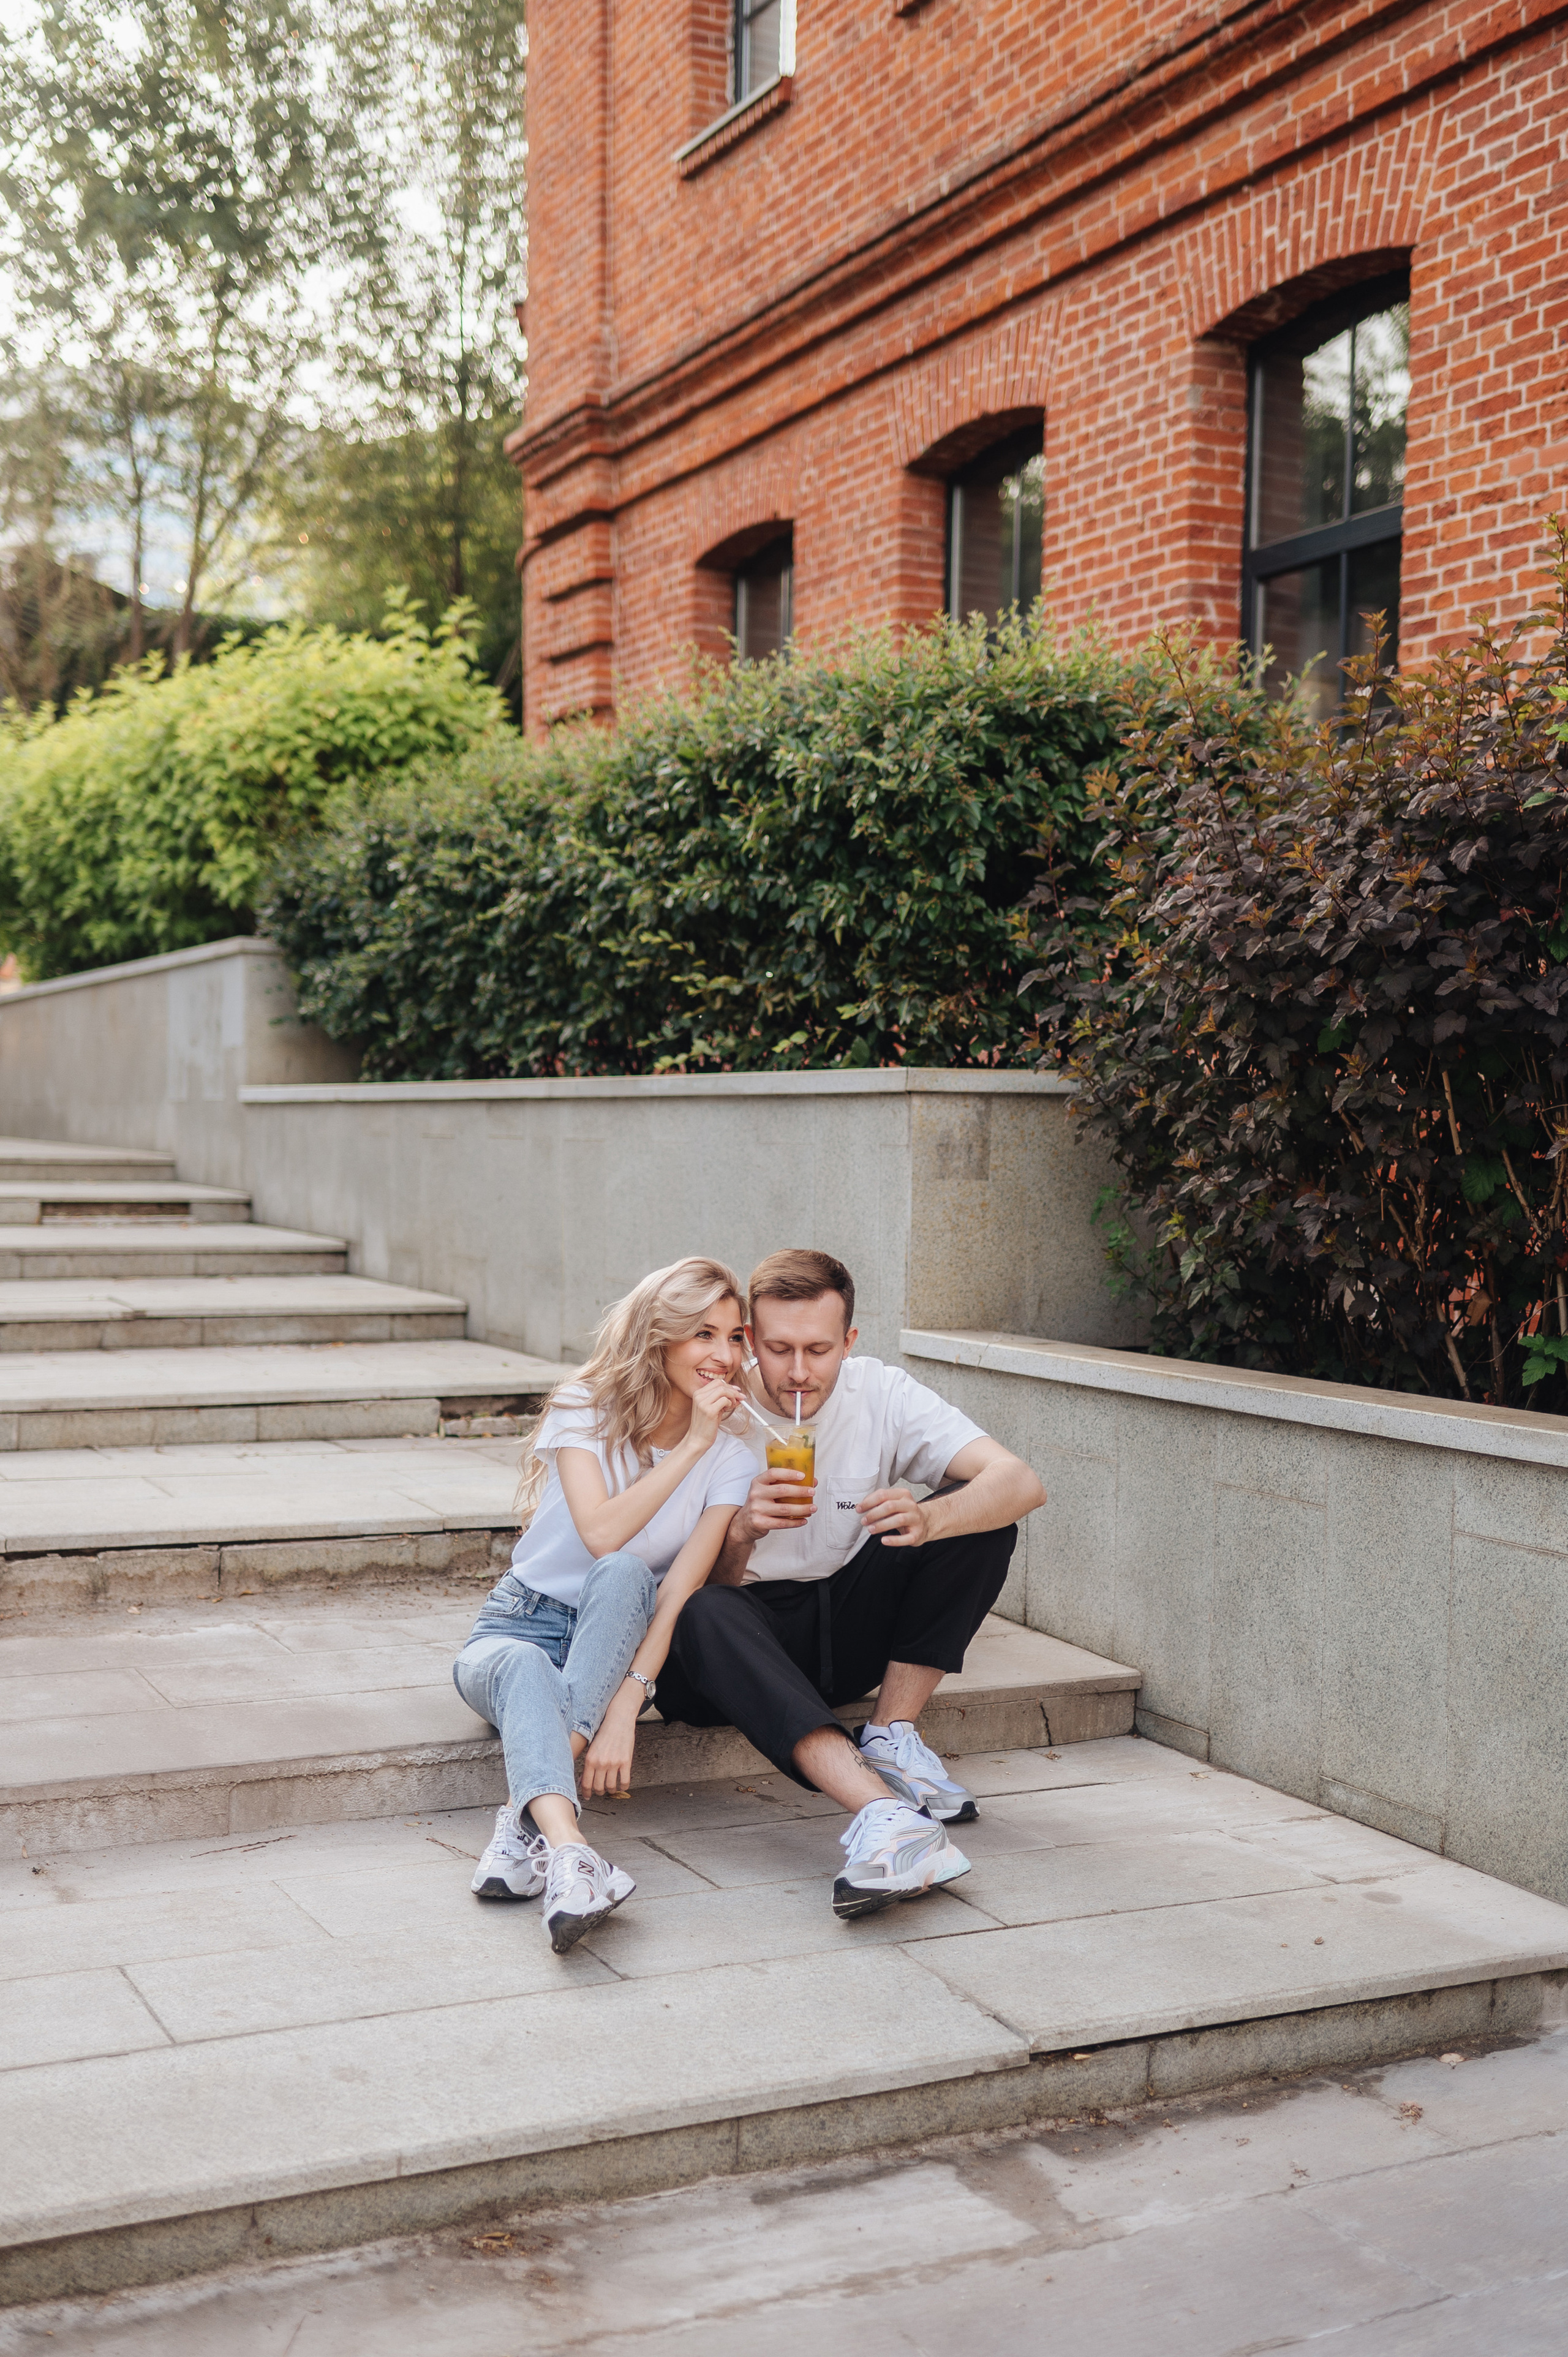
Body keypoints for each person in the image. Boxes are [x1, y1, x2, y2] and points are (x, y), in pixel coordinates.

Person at [655, 1248, 1047, 1920]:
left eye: (819, 1349)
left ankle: (891, 1733)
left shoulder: (879, 1391)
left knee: (977, 1514)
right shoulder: (709, 1408)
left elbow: (1021, 1481)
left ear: (850, 1341)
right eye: (778, 1349)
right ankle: (885, 1814)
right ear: (749, 1338)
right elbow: (674, 1587)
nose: (799, 1371)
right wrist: (742, 1532)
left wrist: (928, 1514)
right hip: (732, 1650)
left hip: (841, 1627)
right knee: (707, 1608)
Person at [453, 1257, 756, 1954]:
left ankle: (528, 1834)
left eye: (734, 1336)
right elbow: (601, 1528)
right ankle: (569, 1849)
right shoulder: (584, 1404)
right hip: (517, 1621)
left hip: (614, 1635)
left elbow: (678, 1589)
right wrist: (692, 1446)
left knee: (627, 1575)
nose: (722, 1355)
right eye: (702, 1334)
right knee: (528, 1658)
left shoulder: (735, 1458)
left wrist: (628, 1702)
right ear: (661, 1336)